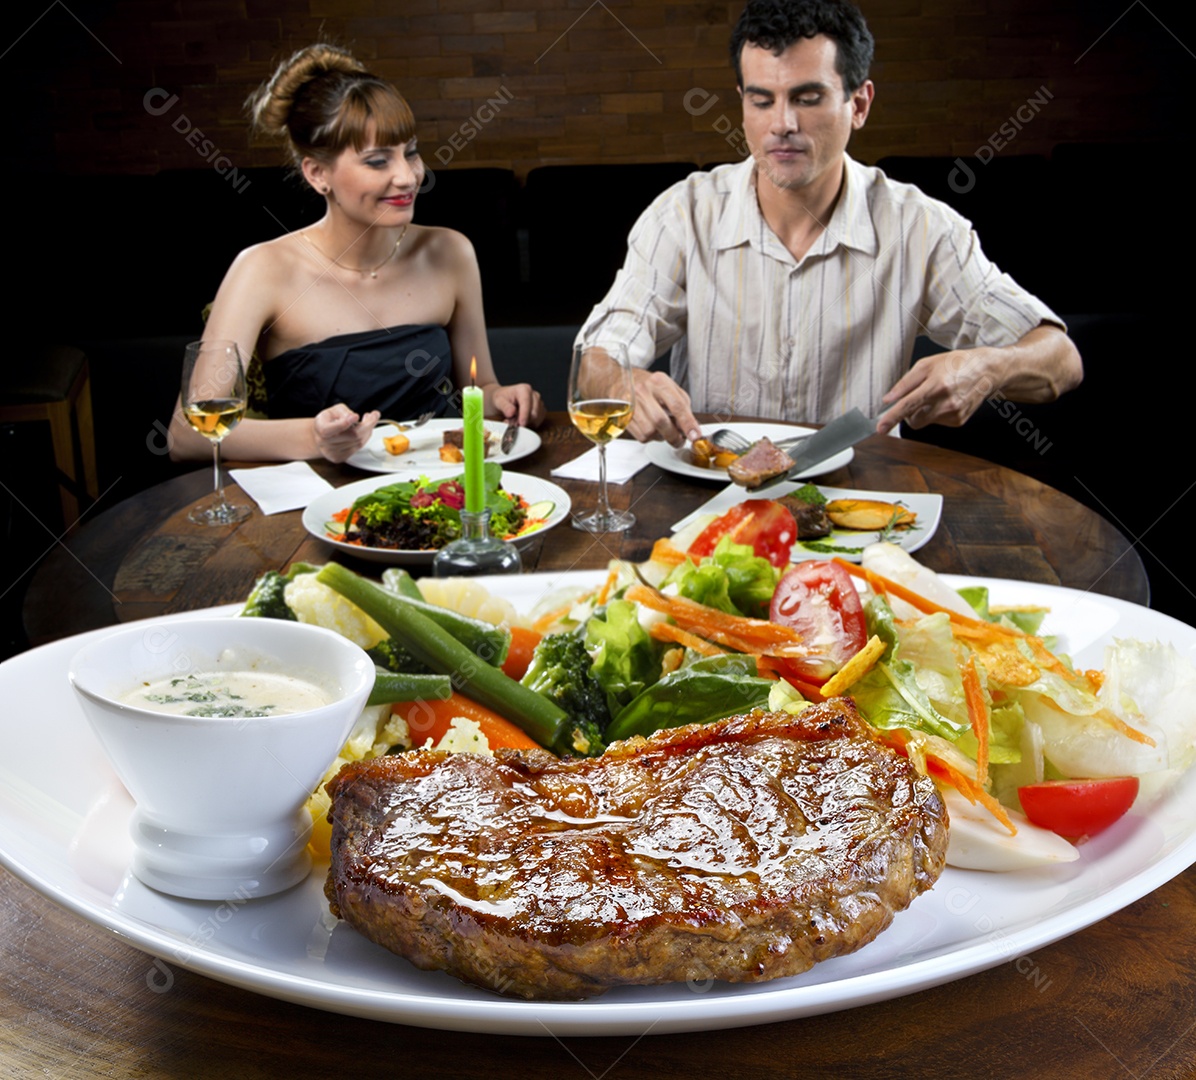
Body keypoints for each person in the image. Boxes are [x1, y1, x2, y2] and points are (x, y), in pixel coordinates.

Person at [577, 0, 1082, 445]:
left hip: (864, 502)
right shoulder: (683, 215)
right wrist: (622, 384)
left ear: (858, 104)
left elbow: (1061, 359)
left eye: (807, 98)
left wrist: (987, 367)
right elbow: (598, 357)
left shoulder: (920, 227)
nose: (782, 125)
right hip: (712, 506)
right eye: (761, 100)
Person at [169, 44, 544, 464]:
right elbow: (187, 435)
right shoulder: (262, 269)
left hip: (443, 487)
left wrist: (506, 400)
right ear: (317, 174)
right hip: (319, 502)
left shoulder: (450, 251)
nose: (407, 176)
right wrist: (315, 439)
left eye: (411, 152)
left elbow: (480, 391)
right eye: (378, 160)